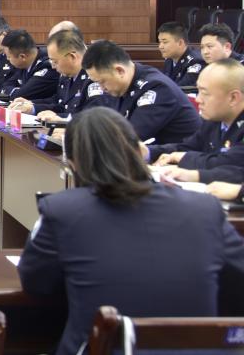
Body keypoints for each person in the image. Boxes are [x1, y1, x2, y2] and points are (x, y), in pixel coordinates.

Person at [18, 107, 244, 355]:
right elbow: (237, 281)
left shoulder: (61, 210)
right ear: (139, 152)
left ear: (72, 163)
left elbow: (37, 284)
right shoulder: (205, 208)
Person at [82, 40, 199, 145]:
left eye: (102, 81)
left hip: (180, 158)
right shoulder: (120, 87)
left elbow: (128, 138)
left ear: (120, 71)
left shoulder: (157, 88)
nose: (102, 88)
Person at [151, 60, 244, 184]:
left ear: (233, 98)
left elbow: (231, 163)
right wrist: (148, 152)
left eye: (205, 93)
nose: (198, 99)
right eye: (198, 91)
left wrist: (184, 159)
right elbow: (187, 147)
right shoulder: (214, 120)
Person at [10, 29, 113, 120]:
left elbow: (92, 117)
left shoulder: (93, 79)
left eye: (55, 61)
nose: (53, 67)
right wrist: (32, 106)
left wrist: (60, 119)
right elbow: (60, 104)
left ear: (72, 57)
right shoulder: (66, 76)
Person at [0, 29, 60, 101]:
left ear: (22, 57)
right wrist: (18, 90)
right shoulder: (22, 65)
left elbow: (21, 96)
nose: (7, 59)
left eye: (8, 56)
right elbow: (3, 87)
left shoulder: (48, 66)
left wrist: (16, 91)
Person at [157, 21, 204, 87]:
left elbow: (181, 88)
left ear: (180, 43)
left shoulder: (196, 61)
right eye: (160, 42)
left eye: (165, 42)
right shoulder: (169, 60)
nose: (160, 46)